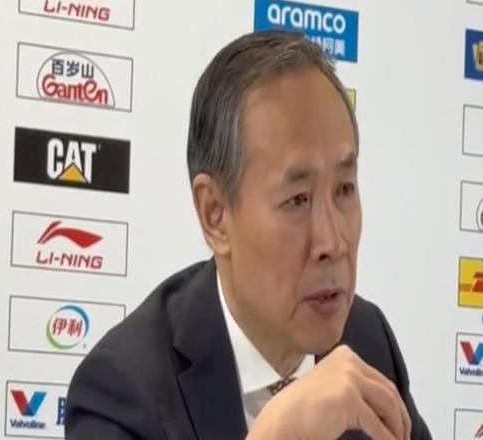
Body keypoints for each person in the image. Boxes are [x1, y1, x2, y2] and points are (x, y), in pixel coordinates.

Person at [65, 31, 432, 440]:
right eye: (297, 199)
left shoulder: (367, 339)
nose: (332, 243)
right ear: (215, 215)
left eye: (344, 190)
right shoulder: (123, 391)